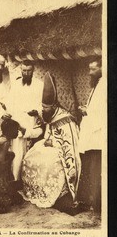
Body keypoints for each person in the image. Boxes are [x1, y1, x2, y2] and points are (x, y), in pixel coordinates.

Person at [21, 72, 83, 215]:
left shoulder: (65, 119)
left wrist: (52, 143)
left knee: (48, 162)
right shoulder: (48, 115)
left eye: (46, 108)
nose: (43, 110)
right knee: (30, 156)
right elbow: (44, 130)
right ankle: (37, 191)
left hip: (61, 152)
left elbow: (69, 145)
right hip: (49, 146)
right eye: (42, 107)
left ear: (54, 106)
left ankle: (58, 194)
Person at [6, 60, 44, 180]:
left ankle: (26, 180)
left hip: (31, 122)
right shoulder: (16, 84)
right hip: (17, 121)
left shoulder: (39, 85)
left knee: (28, 152)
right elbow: (10, 102)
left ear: (33, 71)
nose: (26, 73)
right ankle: (15, 179)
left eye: (29, 71)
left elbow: (43, 104)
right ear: (21, 71)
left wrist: (37, 112)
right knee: (16, 151)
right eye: (24, 71)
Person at [78, 58, 104, 212]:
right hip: (92, 134)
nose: (90, 73)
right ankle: (91, 201)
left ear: (102, 68)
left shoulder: (104, 85)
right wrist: (87, 109)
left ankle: (96, 202)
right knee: (90, 167)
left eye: (93, 69)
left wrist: (86, 111)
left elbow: (102, 112)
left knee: (95, 168)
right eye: (89, 69)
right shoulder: (97, 85)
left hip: (98, 134)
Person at [0, 119, 23, 214]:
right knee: (15, 201)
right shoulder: (5, 142)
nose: (18, 132)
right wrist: (10, 158)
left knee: (17, 198)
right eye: (16, 130)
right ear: (10, 130)